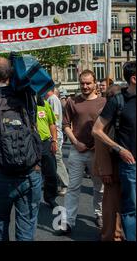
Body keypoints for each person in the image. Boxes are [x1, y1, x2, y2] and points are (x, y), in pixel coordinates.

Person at [0, 57, 42, 241]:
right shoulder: (27, 96)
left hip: (0, 173)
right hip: (30, 171)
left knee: (0, 223)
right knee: (26, 225)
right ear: (11, 74)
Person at [58, 70, 106, 235]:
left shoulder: (104, 102)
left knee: (99, 187)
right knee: (73, 187)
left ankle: (99, 214)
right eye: (82, 83)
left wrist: (99, 146)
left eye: (88, 83)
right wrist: (75, 142)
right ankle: (69, 222)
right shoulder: (72, 102)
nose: (85, 86)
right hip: (77, 150)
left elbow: (108, 127)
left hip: (97, 152)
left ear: (94, 83)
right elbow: (65, 125)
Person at [93, 61, 136, 241]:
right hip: (129, 165)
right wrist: (120, 150)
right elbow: (96, 130)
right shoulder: (118, 101)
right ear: (134, 79)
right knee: (131, 208)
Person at [36, 95, 59, 208]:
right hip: (30, 144)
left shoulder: (44, 104)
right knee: (32, 174)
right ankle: (32, 199)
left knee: (51, 173)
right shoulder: (22, 104)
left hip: (45, 142)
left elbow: (52, 124)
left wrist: (54, 141)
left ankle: (50, 198)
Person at [46, 89, 69, 196]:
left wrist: (54, 137)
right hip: (53, 135)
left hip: (55, 135)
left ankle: (65, 184)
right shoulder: (50, 99)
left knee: (57, 160)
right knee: (53, 161)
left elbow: (54, 119)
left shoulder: (53, 99)